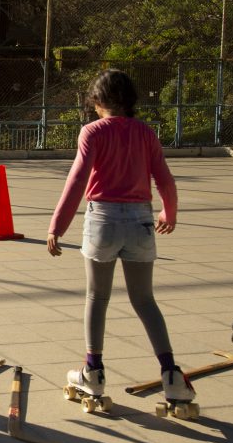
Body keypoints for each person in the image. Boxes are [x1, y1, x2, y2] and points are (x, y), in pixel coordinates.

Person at [48, 69, 192, 412]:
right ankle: (171, 375)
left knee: (97, 297)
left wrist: (57, 226)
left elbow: (77, 180)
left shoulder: (92, 132)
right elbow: (165, 179)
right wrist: (169, 213)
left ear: (97, 101)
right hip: (141, 220)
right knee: (144, 300)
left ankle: (93, 372)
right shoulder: (145, 132)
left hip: (103, 220)